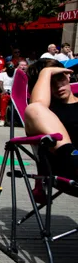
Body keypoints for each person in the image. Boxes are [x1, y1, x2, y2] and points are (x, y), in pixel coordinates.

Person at [25, 59, 78, 191]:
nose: (58, 86)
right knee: (34, 109)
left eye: (60, 78)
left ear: (68, 75)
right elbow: (36, 107)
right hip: (69, 172)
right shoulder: (45, 114)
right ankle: (74, 157)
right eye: (50, 82)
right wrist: (45, 72)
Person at [0, 62, 15, 127]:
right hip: (3, 92)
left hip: (13, 93)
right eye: (10, 66)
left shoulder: (16, 75)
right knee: (3, 98)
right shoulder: (1, 74)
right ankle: (2, 119)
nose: (11, 68)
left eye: (13, 66)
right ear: (6, 68)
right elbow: (0, 84)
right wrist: (3, 90)